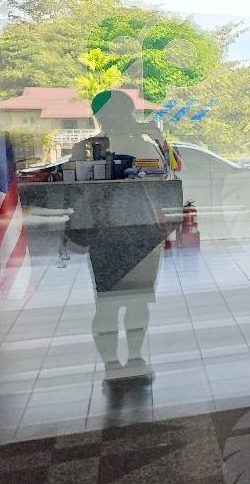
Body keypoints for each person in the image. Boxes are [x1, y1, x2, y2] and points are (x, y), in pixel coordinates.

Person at [65, 90, 175, 384]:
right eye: (118, 112)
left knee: (124, 302)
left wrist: (157, 138)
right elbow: (80, 190)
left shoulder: (141, 145)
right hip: (119, 232)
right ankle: (121, 363)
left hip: (136, 232)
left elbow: (167, 174)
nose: (124, 117)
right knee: (115, 303)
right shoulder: (89, 149)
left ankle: (124, 363)